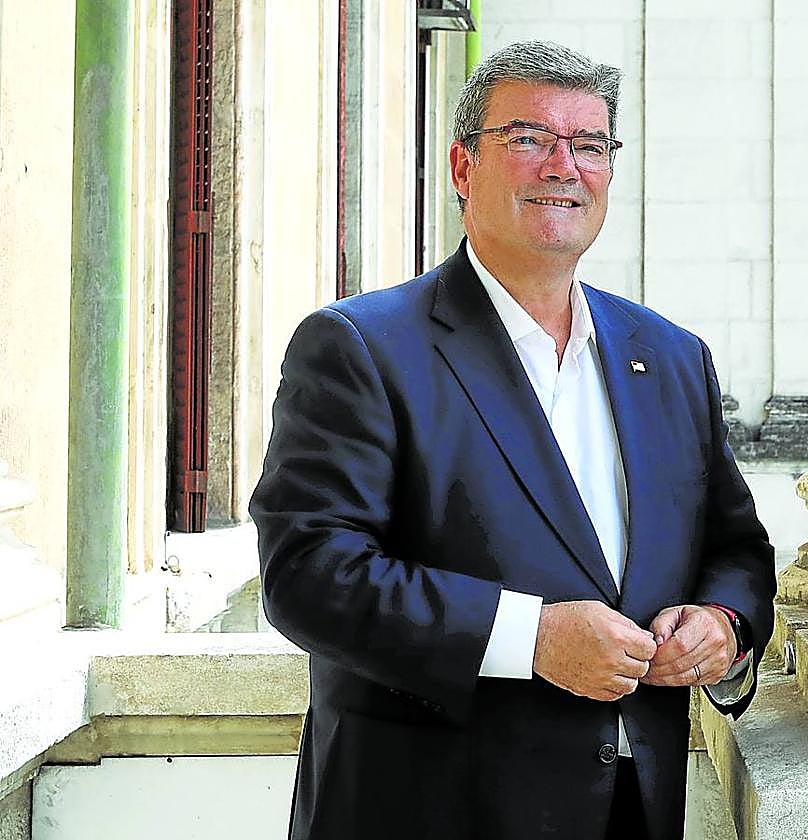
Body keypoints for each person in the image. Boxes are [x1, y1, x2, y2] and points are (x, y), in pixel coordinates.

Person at [250, 40, 775, 840]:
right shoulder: (360, 346)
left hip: (632, 809)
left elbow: (735, 548)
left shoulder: (671, 357)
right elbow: (310, 574)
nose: (563, 166)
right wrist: (530, 639)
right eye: (529, 138)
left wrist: (722, 625)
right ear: (462, 168)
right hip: (424, 813)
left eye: (589, 145)